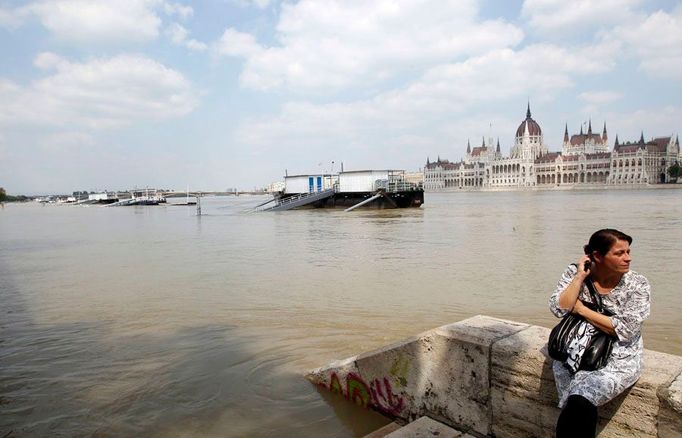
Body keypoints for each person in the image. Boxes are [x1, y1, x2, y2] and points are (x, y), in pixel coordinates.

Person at [548, 229, 650, 437]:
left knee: (580, 400)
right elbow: (558, 308)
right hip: (575, 352)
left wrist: (582, 309)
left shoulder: (637, 284)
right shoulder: (574, 272)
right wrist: (579, 277)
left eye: (628, 252)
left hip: (618, 357)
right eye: (619, 253)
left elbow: (626, 329)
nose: (628, 258)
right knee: (575, 404)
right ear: (596, 256)